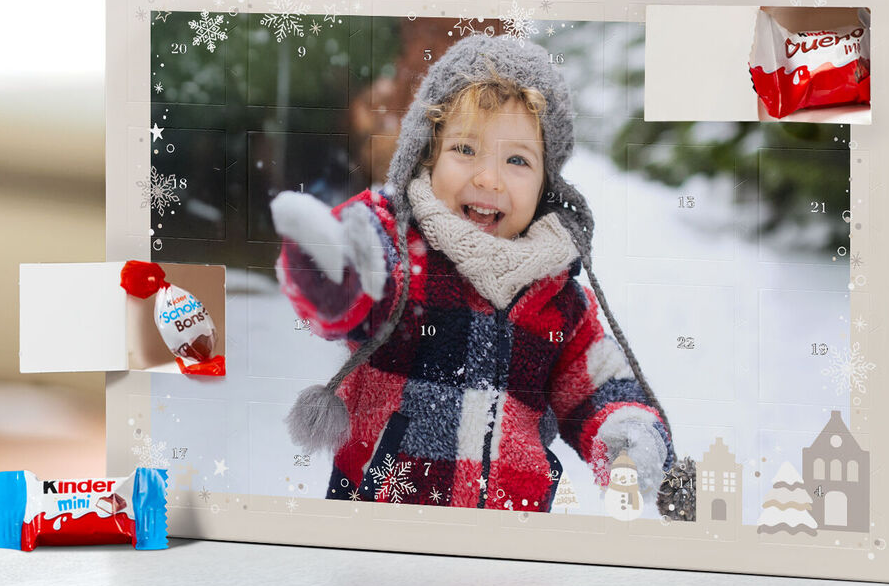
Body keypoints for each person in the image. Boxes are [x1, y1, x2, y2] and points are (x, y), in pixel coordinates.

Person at [271, 34, 673, 512]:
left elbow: (597, 383)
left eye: (517, 160)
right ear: (427, 156)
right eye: (465, 149)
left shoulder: (556, 300)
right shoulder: (400, 252)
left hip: (506, 551)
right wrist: (333, 276)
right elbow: (355, 291)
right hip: (384, 527)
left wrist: (625, 434)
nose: (489, 178)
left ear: (546, 184)